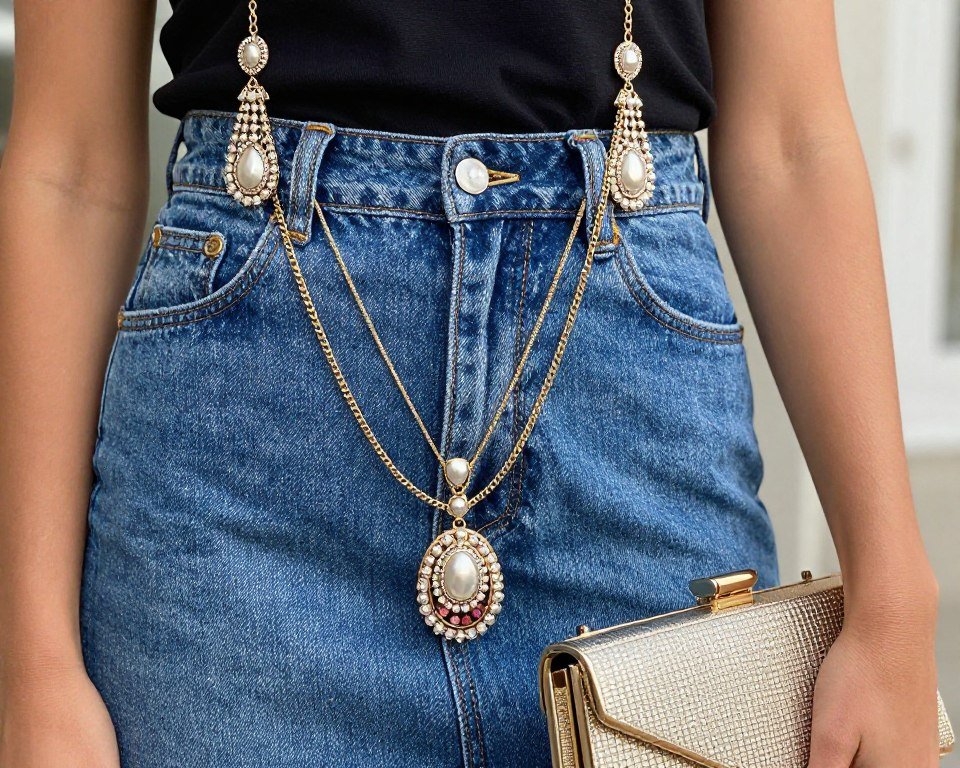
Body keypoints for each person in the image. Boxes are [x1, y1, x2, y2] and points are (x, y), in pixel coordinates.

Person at [0, 1, 942, 766]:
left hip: (631, 437)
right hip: (243, 484)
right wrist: (30, 667)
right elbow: (67, 167)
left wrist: (893, 592)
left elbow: (790, 140)